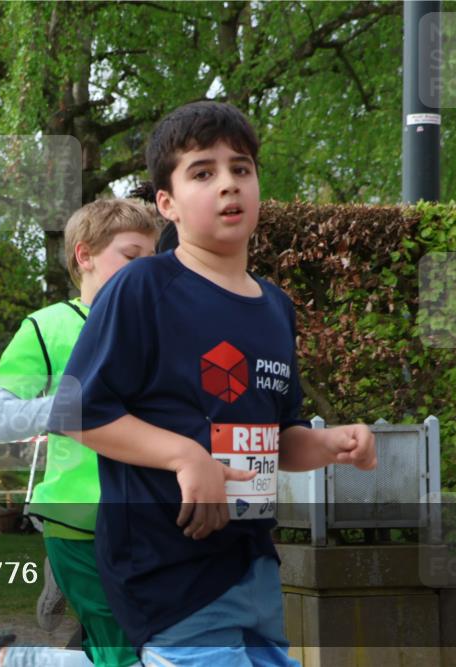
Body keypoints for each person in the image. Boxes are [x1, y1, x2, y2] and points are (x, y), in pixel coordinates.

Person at [44, 101, 376, 667]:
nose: (228, 184)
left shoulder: (276, 307)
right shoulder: (144, 287)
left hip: (254, 568)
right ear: (167, 203)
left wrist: (330, 444)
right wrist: (185, 457)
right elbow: (78, 413)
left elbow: (279, 434)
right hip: (169, 573)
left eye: (240, 168)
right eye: (203, 172)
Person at [0, 198, 160, 667]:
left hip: (154, 518)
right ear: (85, 256)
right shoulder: (46, 327)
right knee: (124, 653)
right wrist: (69, 406)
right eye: (131, 256)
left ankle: (11, 659)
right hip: (79, 522)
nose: (146, 271)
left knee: (143, 650)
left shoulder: (162, 327)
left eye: (153, 259)